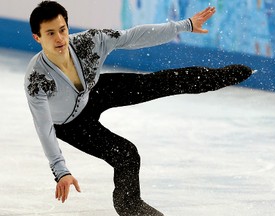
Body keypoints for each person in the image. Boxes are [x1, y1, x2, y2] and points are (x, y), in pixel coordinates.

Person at [24, 1, 252, 216]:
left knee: (153, 84)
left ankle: (217, 77)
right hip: (69, 124)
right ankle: (130, 205)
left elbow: (132, 36)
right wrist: (61, 171)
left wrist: (186, 25)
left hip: (92, 93)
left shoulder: (89, 42)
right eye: (50, 33)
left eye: (62, 29)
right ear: (37, 37)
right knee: (126, 154)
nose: (60, 38)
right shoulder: (37, 78)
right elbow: (44, 127)